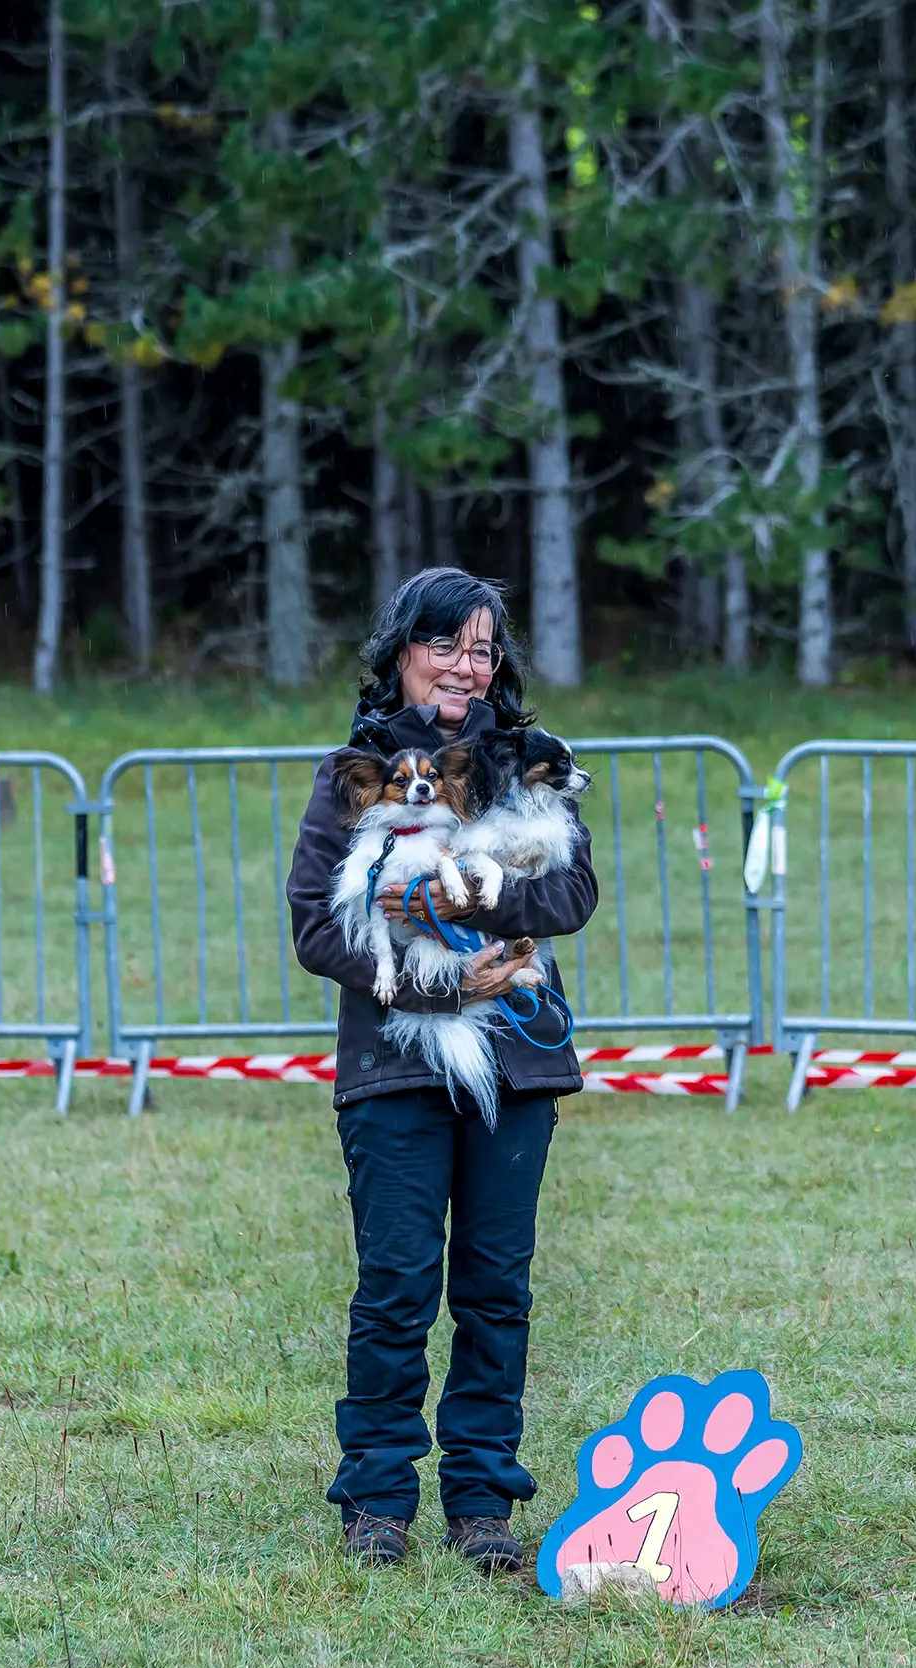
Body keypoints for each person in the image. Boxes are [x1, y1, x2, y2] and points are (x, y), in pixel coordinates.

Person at [287, 567, 597, 1574]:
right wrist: (435, 988)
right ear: (400, 653)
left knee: (495, 1290)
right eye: (445, 645)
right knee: (396, 1285)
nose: (467, 666)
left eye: (482, 648)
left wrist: (470, 897)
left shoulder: (530, 764)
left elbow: (572, 895)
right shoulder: (359, 767)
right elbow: (312, 923)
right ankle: (376, 1498)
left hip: (518, 1060)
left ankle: (481, 1500)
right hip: (396, 1064)